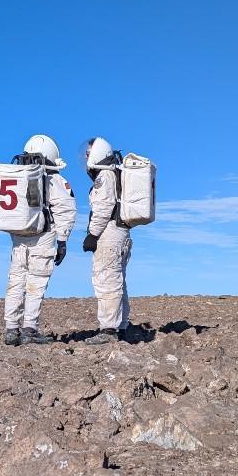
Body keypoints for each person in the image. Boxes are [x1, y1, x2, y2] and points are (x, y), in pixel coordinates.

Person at [4, 134, 77, 345]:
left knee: (15, 283)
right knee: (35, 283)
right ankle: (29, 329)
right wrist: (62, 240)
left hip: (19, 238)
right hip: (43, 238)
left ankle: (11, 329)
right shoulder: (55, 180)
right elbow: (65, 209)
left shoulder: (16, 177)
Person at [82, 136, 131, 344]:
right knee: (117, 280)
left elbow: (103, 208)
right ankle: (121, 326)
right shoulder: (115, 174)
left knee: (106, 279)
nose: (86, 156)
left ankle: (108, 330)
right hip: (120, 233)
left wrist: (92, 234)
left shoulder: (105, 176)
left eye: (89, 152)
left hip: (109, 234)